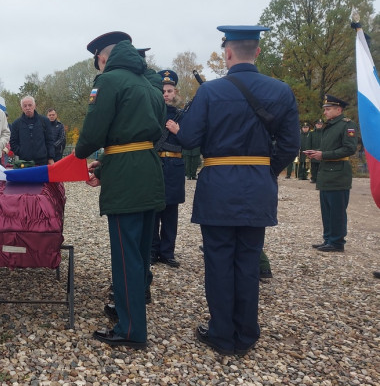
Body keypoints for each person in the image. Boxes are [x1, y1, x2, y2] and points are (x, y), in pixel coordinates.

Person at [175, 25, 299, 356]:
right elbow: (290, 145)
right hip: (257, 185)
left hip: (218, 185)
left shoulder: (210, 92)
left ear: (227, 53)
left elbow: (188, 140)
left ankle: (221, 332)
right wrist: (265, 169)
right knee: (247, 260)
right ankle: (246, 332)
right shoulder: (281, 91)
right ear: (256, 52)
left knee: (218, 260)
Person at [74, 31, 165, 350]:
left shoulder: (109, 81)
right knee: (140, 252)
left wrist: (79, 156)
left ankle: (130, 330)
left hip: (126, 177)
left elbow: (94, 130)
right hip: (148, 168)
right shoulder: (149, 84)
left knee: (125, 257)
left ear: (102, 58)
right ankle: (133, 314)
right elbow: (150, 130)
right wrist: (110, 162)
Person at [305, 94, 358, 252]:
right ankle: (328, 238)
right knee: (327, 208)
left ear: (339, 109)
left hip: (338, 174)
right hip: (327, 173)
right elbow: (329, 148)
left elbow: (349, 148)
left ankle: (337, 242)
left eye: (328, 109)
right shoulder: (330, 126)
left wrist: (324, 155)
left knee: (337, 210)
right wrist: (317, 152)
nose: (325, 112)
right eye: (325, 109)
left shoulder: (347, 125)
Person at [151, 70, 185, 268]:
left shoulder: (183, 115)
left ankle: (167, 252)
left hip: (175, 166)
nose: (166, 94)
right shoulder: (152, 112)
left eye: (169, 90)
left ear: (175, 93)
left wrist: (178, 131)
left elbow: (191, 142)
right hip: (155, 164)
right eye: (163, 90)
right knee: (154, 210)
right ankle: (152, 250)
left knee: (171, 213)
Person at [9, 96, 55, 166]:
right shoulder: (16, 124)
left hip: (42, 161)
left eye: (30, 105)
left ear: (34, 106)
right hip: (24, 162)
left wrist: (50, 157)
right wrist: (21, 152)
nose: (27, 108)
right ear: (22, 108)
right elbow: (13, 142)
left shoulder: (44, 121)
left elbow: (50, 140)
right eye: (25, 106)